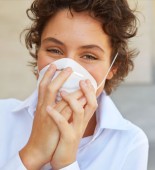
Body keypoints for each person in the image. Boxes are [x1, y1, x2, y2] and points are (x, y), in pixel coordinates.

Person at [0, 0, 149, 170]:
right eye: (54, 50)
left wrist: (66, 164)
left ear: (113, 67)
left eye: (89, 56)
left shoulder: (129, 143)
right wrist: (33, 154)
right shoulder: (2, 119)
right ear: (38, 51)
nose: (68, 69)